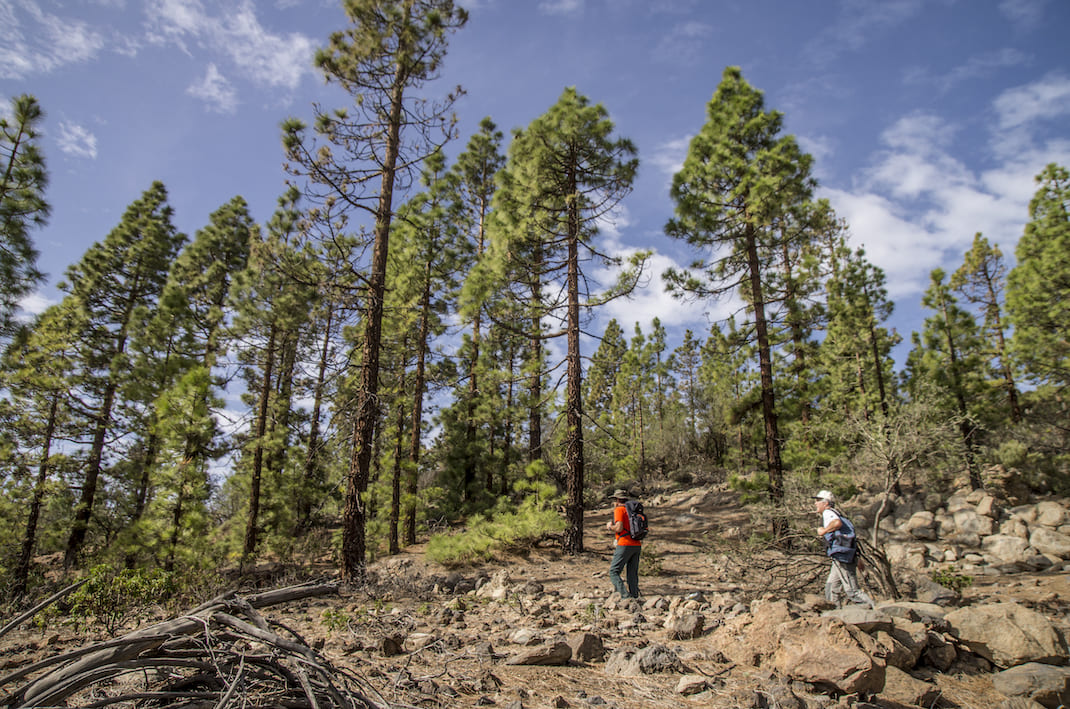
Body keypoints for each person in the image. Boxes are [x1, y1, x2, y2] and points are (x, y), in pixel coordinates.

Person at [814, 489, 874, 609]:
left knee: (852, 591)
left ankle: (874, 612)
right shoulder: (839, 514)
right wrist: (858, 559)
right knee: (831, 587)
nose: (815, 503)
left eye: (818, 500)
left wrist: (824, 531)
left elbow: (836, 523)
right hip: (843, 556)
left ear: (826, 503)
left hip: (843, 557)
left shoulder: (828, 513)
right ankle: (834, 616)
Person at [606, 488, 641, 599]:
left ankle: (625, 596)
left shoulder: (619, 510)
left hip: (624, 544)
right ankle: (635, 596)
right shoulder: (632, 510)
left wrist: (610, 527)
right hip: (636, 544)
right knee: (632, 573)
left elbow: (619, 527)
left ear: (617, 500)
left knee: (613, 572)